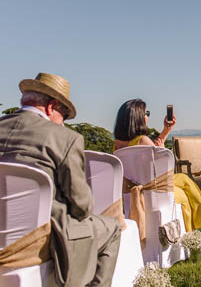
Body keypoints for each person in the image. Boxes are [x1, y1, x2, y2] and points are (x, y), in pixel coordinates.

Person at [0, 73, 121, 287]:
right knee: (112, 228)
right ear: (51, 107)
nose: (63, 124)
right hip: (38, 238)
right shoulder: (64, 138)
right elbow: (81, 207)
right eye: (63, 116)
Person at [112, 99, 201, 231]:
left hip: (132, 194)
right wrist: (162, 148)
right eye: (146, 113)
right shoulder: (143, 140)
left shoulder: (117, 145)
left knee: (183, 178)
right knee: (185, 191)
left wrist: (166, 130)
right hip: (154, 193)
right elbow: (162, 171)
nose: (147, 116)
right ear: (138, 117)